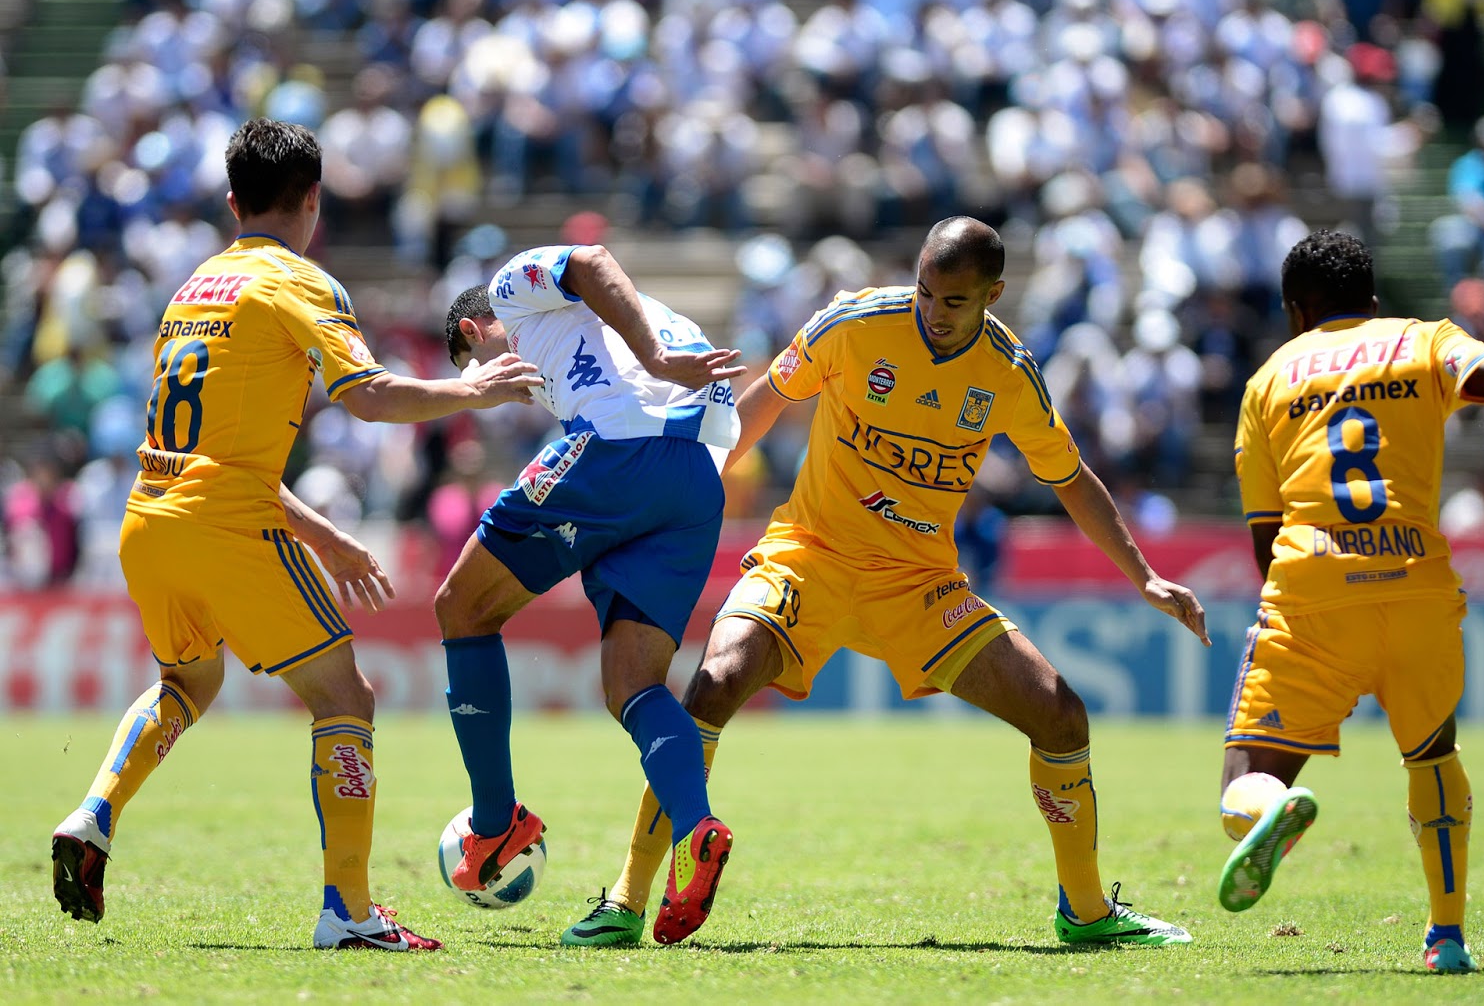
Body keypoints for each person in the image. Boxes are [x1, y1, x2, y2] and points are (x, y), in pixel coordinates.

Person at [563, 216, 1211, 948]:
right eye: (927, 291)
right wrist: (683, 486)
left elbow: (1071, 478)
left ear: (994, 293)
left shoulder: (1008, 371)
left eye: (955, 301)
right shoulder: (856, 322)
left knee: (1062, 716)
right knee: (711, 685)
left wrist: (1146, 575)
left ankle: (1087, 912)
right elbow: (764, 403)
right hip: (809, 555)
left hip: (917, 583)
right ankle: (625, 898)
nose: (934, 312)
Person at [48, 118, 544, 952]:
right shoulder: (301, 283)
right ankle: (349, 911)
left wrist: (327, 539)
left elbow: (215, 451)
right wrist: (478, 391)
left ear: (232, 201)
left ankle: (93, 811)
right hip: (227, 523)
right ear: (313, 201)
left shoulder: (195, 284)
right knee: (345, 700)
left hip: (147, 516)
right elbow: (372, 397)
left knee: (186, 682)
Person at [1219, 230, 1484, 974]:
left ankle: (1268, 808)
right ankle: (1447, 937)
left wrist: (1298, 609)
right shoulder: (1421, 340)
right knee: (1434, 753)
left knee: (1243, 780)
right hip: (1416, 584)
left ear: (1293, 311)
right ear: (1373, 302)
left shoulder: (1269, 379)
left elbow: (1265, 536)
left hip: (1312, 590)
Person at [436, 242, 747, 945]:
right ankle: (697, 828)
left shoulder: (508, 290)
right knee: (631, 682)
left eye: (475, 371)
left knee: (460, 607)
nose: (494, 391)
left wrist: (659, 363)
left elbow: (593, 260)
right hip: (696, 481)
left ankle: (493, 824)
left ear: (470, 333)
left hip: (618, 448)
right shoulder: (606, 333)